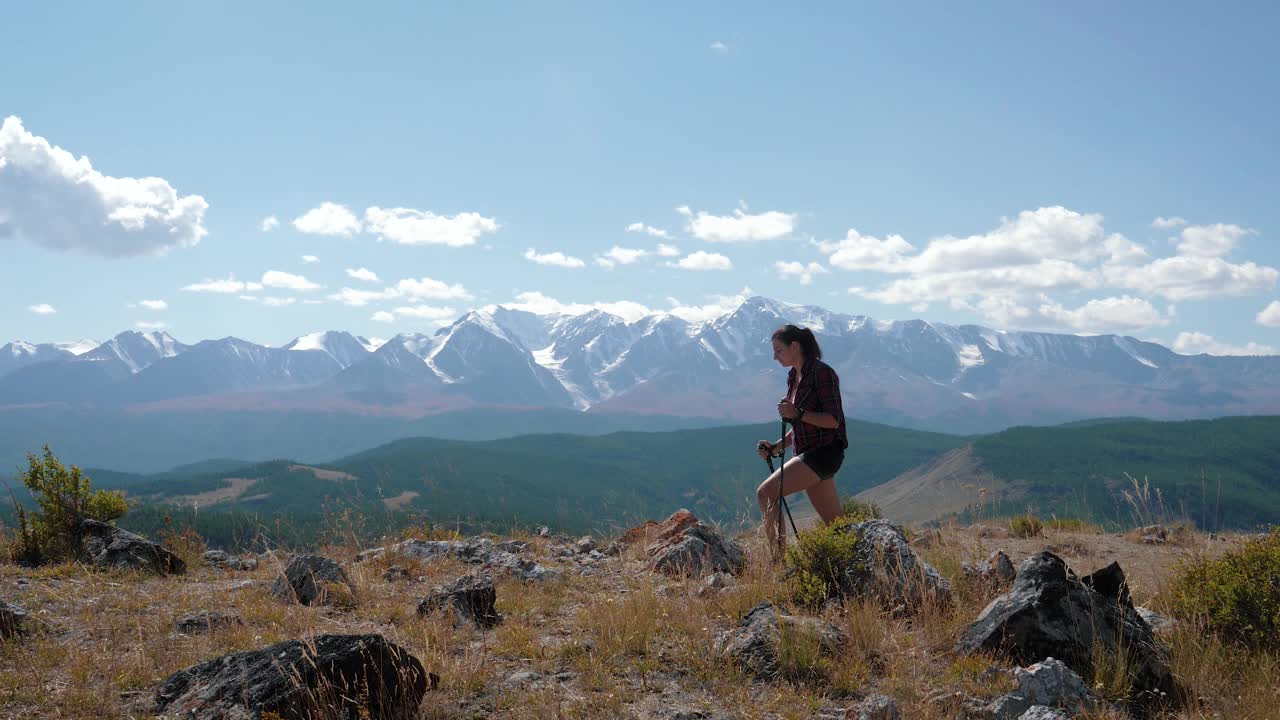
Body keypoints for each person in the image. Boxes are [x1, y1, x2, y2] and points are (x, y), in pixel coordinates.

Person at [755, 324, 847, 556]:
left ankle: (778, 560)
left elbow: (833, 420)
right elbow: (800, 423)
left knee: (765, 493)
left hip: (823, 453)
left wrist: (798, 414)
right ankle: (858, 564)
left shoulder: (822, 373)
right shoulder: (793, 377)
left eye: (778, 350)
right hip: (812, 454)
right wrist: (776, 446)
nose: (774, 357)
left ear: (794, 346)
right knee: (837, 527)